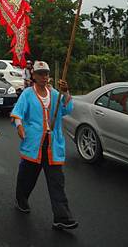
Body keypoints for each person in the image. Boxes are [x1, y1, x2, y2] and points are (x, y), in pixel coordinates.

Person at [10, 60, 78, 231]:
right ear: (33, 76)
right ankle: (21, 199)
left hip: (52, 145)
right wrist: (19, 126)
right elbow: (17, 113)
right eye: (40, 74)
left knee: (57, 181)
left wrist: (66, 92)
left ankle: (62, 217)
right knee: (27, 177)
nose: (44, 77)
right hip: (34, 143)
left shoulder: (54, 94)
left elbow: (67, 109)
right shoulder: (27, 94)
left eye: (46, 74)